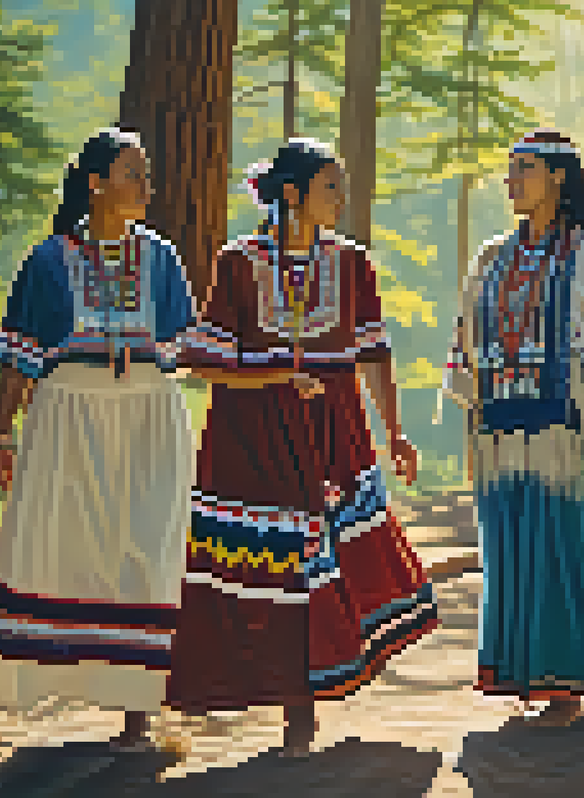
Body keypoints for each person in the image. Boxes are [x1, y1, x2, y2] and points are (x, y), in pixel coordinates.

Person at [168, 139, 439, 756]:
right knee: (279, 567)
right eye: (331, 188)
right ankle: (288, 705)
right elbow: (207, 361)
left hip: (334, 430)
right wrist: (273, 377)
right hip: (255, 435)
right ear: (292, 194)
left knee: (327, 564)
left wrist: (394, 430)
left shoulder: (351, 263)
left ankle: (309, 702)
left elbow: (373, 352)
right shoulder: (238, 262)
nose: (342, 200)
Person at [438, 129, 584, 728]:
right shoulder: (492, 257)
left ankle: (568, 681)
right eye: (509, 169)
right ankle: (525, 672)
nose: (511, 179)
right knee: (511, 543)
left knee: (565, 536)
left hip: (573, 419)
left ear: (559, 177)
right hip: (500, 425)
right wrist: (471, 409)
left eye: (525, 168)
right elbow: (467, 336)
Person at [0, 128, 196, 750]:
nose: (146, 187)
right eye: (134, 174)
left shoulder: (160, 259)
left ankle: (138, 708)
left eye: (147, 175)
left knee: (148, 548)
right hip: (67, 416)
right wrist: (1, 436)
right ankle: (62, 679)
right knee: (71, 546)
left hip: (150, 415)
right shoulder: (48, 262)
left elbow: (187, 342)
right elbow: (19, 357)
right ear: (96, 183)